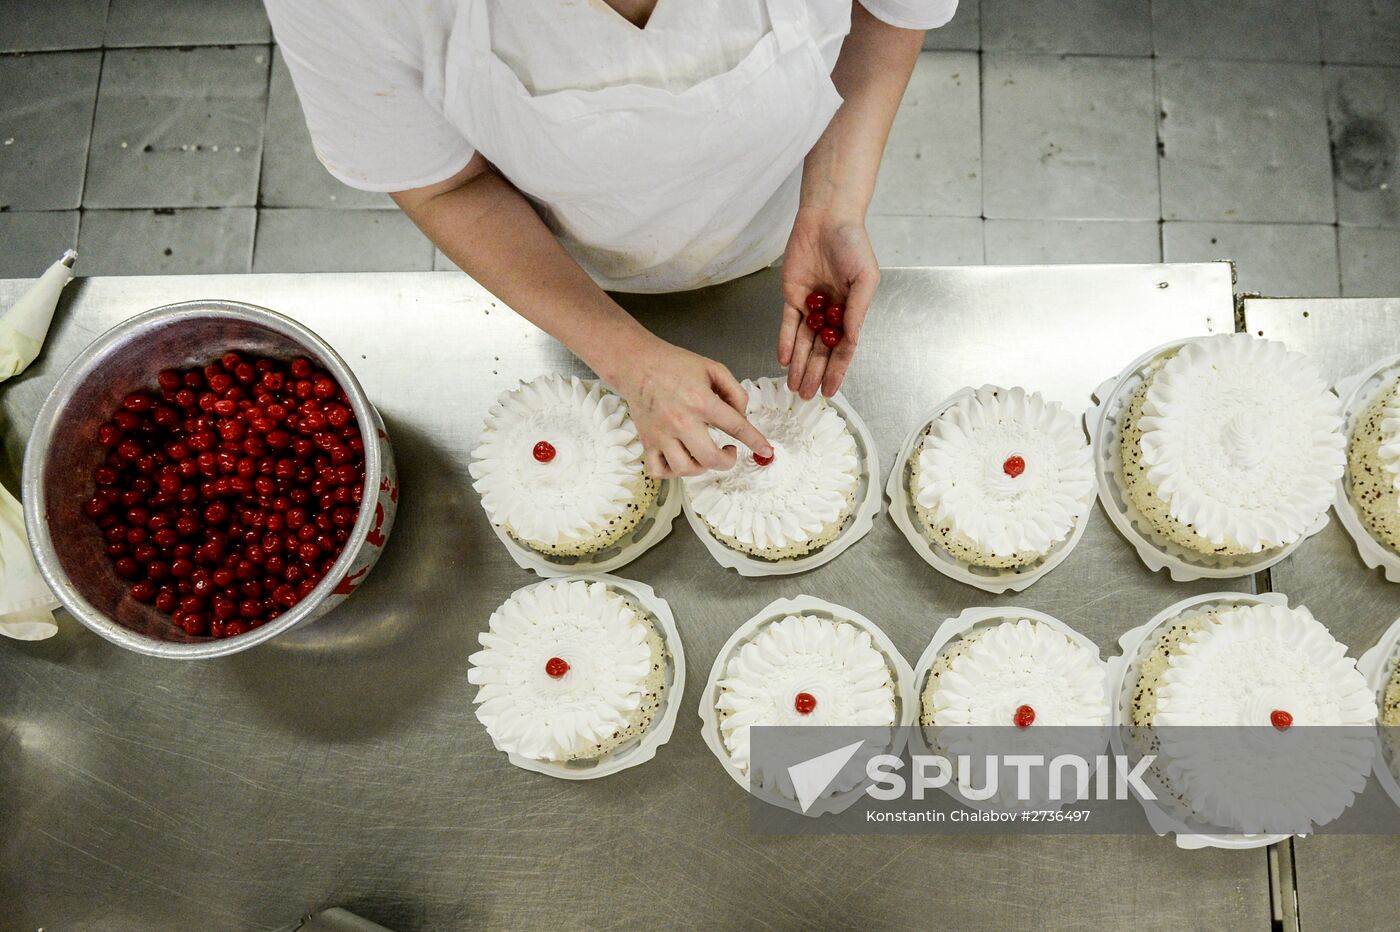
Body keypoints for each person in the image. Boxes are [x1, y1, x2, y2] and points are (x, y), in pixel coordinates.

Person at [264, 0, 958, 477]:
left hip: (780, 217)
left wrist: (834, 202)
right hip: (566, 257)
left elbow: (888, 14)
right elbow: (447, 186)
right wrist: (627, 358)